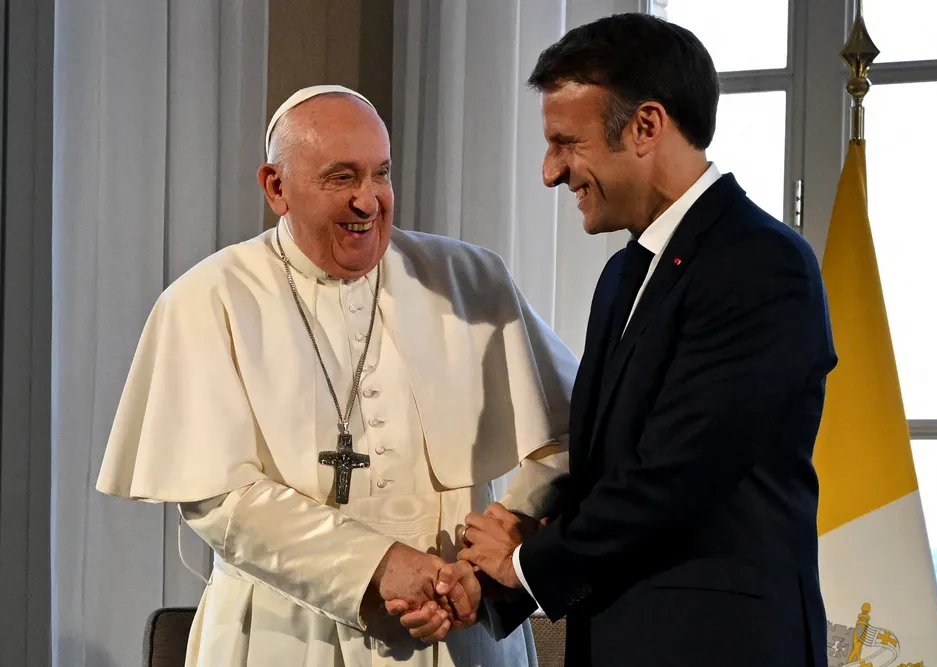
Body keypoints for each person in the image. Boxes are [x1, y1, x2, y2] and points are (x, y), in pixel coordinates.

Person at [96, 84, 577, 667]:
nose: (369, 201)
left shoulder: (468, 280)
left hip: (454, 632)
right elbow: (217, 497)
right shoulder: (208, 299)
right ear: (276, 187)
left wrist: (491, 560)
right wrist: (376, 566)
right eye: (342, 178)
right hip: (283, 636)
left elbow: (566, 435)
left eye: (381, 174)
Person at [446, 14, 838, 667]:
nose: (549, 172)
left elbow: (674, 476)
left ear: (645, 127)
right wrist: (494, 570)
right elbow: (604, 470)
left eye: (565, 142)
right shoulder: (623, 274)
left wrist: (523, 561)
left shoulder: (760, 264)